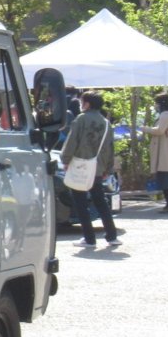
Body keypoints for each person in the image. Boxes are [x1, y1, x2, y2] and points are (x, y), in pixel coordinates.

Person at [60, 91, 120, 249]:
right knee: (101, 202)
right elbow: (110, 148)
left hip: (80, 165)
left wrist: (65, 160)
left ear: (86, 104)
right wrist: (108, 167)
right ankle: (112, 235)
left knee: (80, 202)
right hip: (98, 167)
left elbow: (72, 141)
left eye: (82, 101)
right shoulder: (106, 123)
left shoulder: (81, 119)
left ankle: (89, 238)